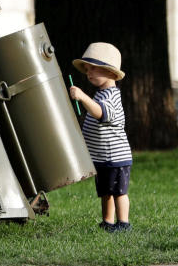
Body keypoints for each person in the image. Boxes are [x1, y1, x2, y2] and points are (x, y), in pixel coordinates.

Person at [69, 42, 133, 233]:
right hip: (102, 158)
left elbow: (101, 113)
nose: (88, 72)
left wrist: (82, 97)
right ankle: (107, 222)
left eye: (94, 68)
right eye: (87, 69)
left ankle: (123, 223)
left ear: (112, 73)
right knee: (105, 193)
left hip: (116, 158)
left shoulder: (112, 96)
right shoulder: (99, 95)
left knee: (119, 193)